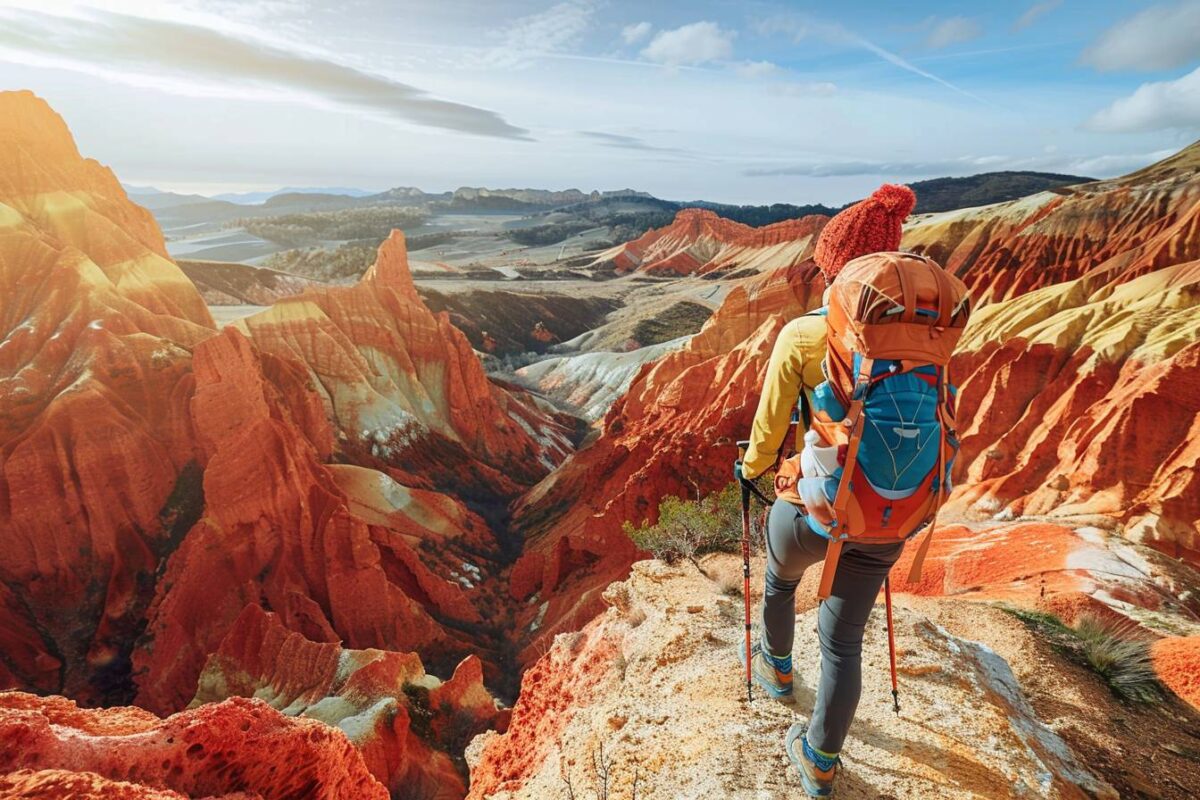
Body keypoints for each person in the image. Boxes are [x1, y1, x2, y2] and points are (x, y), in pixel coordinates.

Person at [736, 184, 918, 797]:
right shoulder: (921, 343)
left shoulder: (803, 336)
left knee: (780, 579)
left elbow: (768, 429)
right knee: (843, 643)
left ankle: (777, 673)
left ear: (833, 267)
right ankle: (820, 761)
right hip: (887, 513)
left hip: (813, 510)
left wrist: (752, 469)